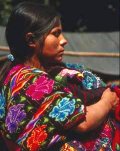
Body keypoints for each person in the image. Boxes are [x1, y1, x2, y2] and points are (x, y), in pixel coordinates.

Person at [0, 2, 119, 151]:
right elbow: (83, 122)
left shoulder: (13, 73)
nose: (64, 40)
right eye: (56, 33)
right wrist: (107, 101)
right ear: (31, 40)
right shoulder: (34, 81)